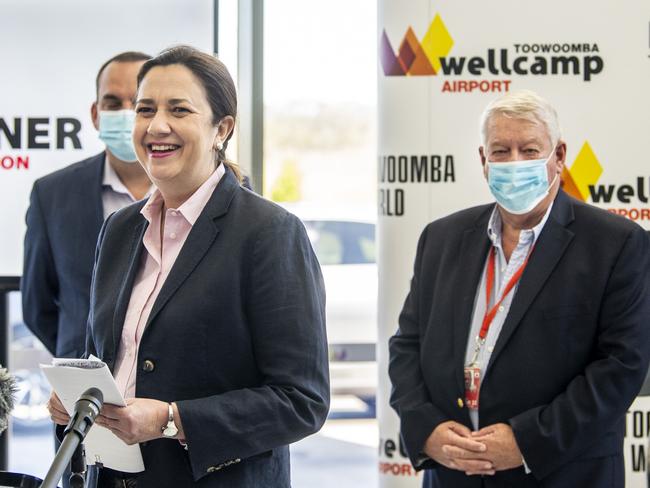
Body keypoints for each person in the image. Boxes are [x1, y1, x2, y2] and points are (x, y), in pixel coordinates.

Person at [47, 45, 329, 488]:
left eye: (179, 110)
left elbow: (302, 401)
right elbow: (105, 357)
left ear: (222, 128)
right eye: (146, 109)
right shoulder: (119, 229)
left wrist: (171, 420)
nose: (157, 126)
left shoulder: (270, 233)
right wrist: (78, 398)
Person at [388, 90, 650, 487]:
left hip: (563, 474)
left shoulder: (615, 243)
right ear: (483, 160)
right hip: (454, 475)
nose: (515, 163)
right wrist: (426, 431)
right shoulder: (441, 238)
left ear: (558, 156)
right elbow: (407, 345)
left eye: (529, 150)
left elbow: (621, 367)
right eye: (501, 151)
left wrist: (527, 442)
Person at [22, 51, 152, 360]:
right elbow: (36, 307)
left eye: (137, 104)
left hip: (175, 395)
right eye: (112, 103)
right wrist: (78, 358)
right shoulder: (51, 194)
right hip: (85, 389)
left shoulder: (204, 191)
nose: (124, 113)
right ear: (95, 114)